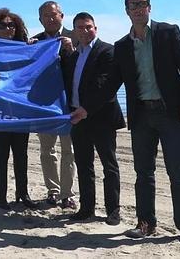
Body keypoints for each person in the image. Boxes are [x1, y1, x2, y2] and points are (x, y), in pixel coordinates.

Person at [103, 0, 180, 245]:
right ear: (126, 11)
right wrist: (85, 105)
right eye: (132, 5)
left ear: (149, 7)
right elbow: (111, 82)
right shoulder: (122, 45)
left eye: (141, 3)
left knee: (178, 171)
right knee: (143, 173)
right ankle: (146, 223)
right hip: (141, 116)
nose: (137, 8)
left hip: (170, 113)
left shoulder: (168, 33)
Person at [63, 12, 124, 225]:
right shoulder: (72, 56)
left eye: (88, 27)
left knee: (109, 165)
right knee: (83, 165)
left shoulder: (108, 51)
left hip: (102, 117)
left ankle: (113, 210)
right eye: (80, 27)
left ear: (95, 28)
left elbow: (106, 85)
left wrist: (85, 109)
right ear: (75, 31)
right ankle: (86, 209)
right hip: (77, 119)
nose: (85, 30)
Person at [0, 8, 39, 210]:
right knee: (1, 153)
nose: (8, 28)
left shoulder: (24, 48)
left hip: (20, 110)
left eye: (11, 25)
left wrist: (34, 47)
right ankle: (1, 196)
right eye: (3, 25)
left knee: (21, 153)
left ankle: (22, 194)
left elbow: (39, 64)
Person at [30, 1, 77, 209]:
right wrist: (28, 51)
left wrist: (72, 49)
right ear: (40, 20)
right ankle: (53, 191)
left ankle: (67, 194)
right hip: (45, 105)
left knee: (69, 150)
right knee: (47, 150)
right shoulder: (35, 41)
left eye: (54, 14)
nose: (50, 18)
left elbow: (86, 65)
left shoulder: (76, 36)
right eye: (45, 16)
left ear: (62, 16)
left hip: (69, 104)